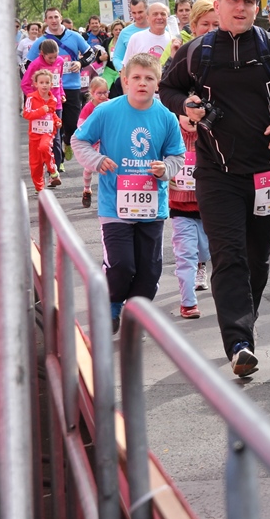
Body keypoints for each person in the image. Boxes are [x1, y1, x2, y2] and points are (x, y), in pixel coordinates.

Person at [159, 0, 270, 377]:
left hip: (265, 172)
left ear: (256, 8)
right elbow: (167, 88)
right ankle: (239, 344)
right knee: (228, 256)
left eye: (249, 1)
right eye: (233, 0)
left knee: (257, 258)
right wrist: (186, 106)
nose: (241, 7)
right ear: (219, 5)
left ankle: (245, 321)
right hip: (216, 173)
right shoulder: (197, 51)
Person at [71, 53, 186, 334]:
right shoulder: (107, 111)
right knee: (121, 264)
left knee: (149, 270)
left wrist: (165, 169)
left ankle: (136, 315)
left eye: (149, 78)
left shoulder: (166, 117)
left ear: (158, 83)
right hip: (115, 205)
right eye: (136, 77)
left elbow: (177, 156)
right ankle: (111, 304)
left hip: (152, 206)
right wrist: (97, 160)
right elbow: (79, 141)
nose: (142, 83)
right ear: (124, 80)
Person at [25, 7, 90, 169]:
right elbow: (27, 65)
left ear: (61, 17)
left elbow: (91, 54)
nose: (53, 20)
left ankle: (68, 142)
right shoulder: (41, 42)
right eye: (50, 18)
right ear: (45, 20)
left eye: (56, 17)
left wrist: (80, 63)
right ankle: (57, 162)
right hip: (49, 92)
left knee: (72, 125)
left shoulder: (74, 36)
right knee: (53, 128)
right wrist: (39, 84)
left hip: (72, 86)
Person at [169, 113, 211, 319]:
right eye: (186, 113)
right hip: (180, 208)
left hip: (209, 209)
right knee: (185, 256)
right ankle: (188, 303)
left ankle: (202, 264)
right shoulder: (171, 133)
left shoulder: (211, 134)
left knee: (204, 252)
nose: (191, 117)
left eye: (196, 111)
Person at [22, 70, 62, 192]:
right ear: (36, 84)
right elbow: (26, 114)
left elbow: (52, 114)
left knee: (44, 147)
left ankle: (53, 170)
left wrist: (57, 121)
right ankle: (39, 188)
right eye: (41, 82)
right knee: (35, 164)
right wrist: (41, 111)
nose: (44, 85)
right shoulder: (31, 98)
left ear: (51, 84)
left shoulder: (53, 99)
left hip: (48, 132)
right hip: (34, 134)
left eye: (47, 82)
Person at [76, 76, 110, 208]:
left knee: (108, 167)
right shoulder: (88, 108)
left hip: (108, 141)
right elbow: (81, 124)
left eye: (105, 92)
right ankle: (87, 189)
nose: (103, 96)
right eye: (99, 93)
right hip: (93, 141)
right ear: (92, 93)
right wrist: (90, 134)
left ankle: (108, 195)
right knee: (89, 168)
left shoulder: (110, 104)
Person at [20, 39, 67, 106]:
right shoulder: (35, 64)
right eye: (50, 58)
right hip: (40, 104)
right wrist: (34, 97)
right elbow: (25, 84)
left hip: (56, 102)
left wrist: (62, 94)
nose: (53, 60)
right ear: (42, 53)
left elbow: (59, 80)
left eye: (55, 57)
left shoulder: (60, 61)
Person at [111, 0, 149, 71]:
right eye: (134, 13)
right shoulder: (125, 32)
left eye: (140, 12)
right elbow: (117, 57)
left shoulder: (160, 29)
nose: (137, 16)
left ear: (147, 10)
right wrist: (122, 70)